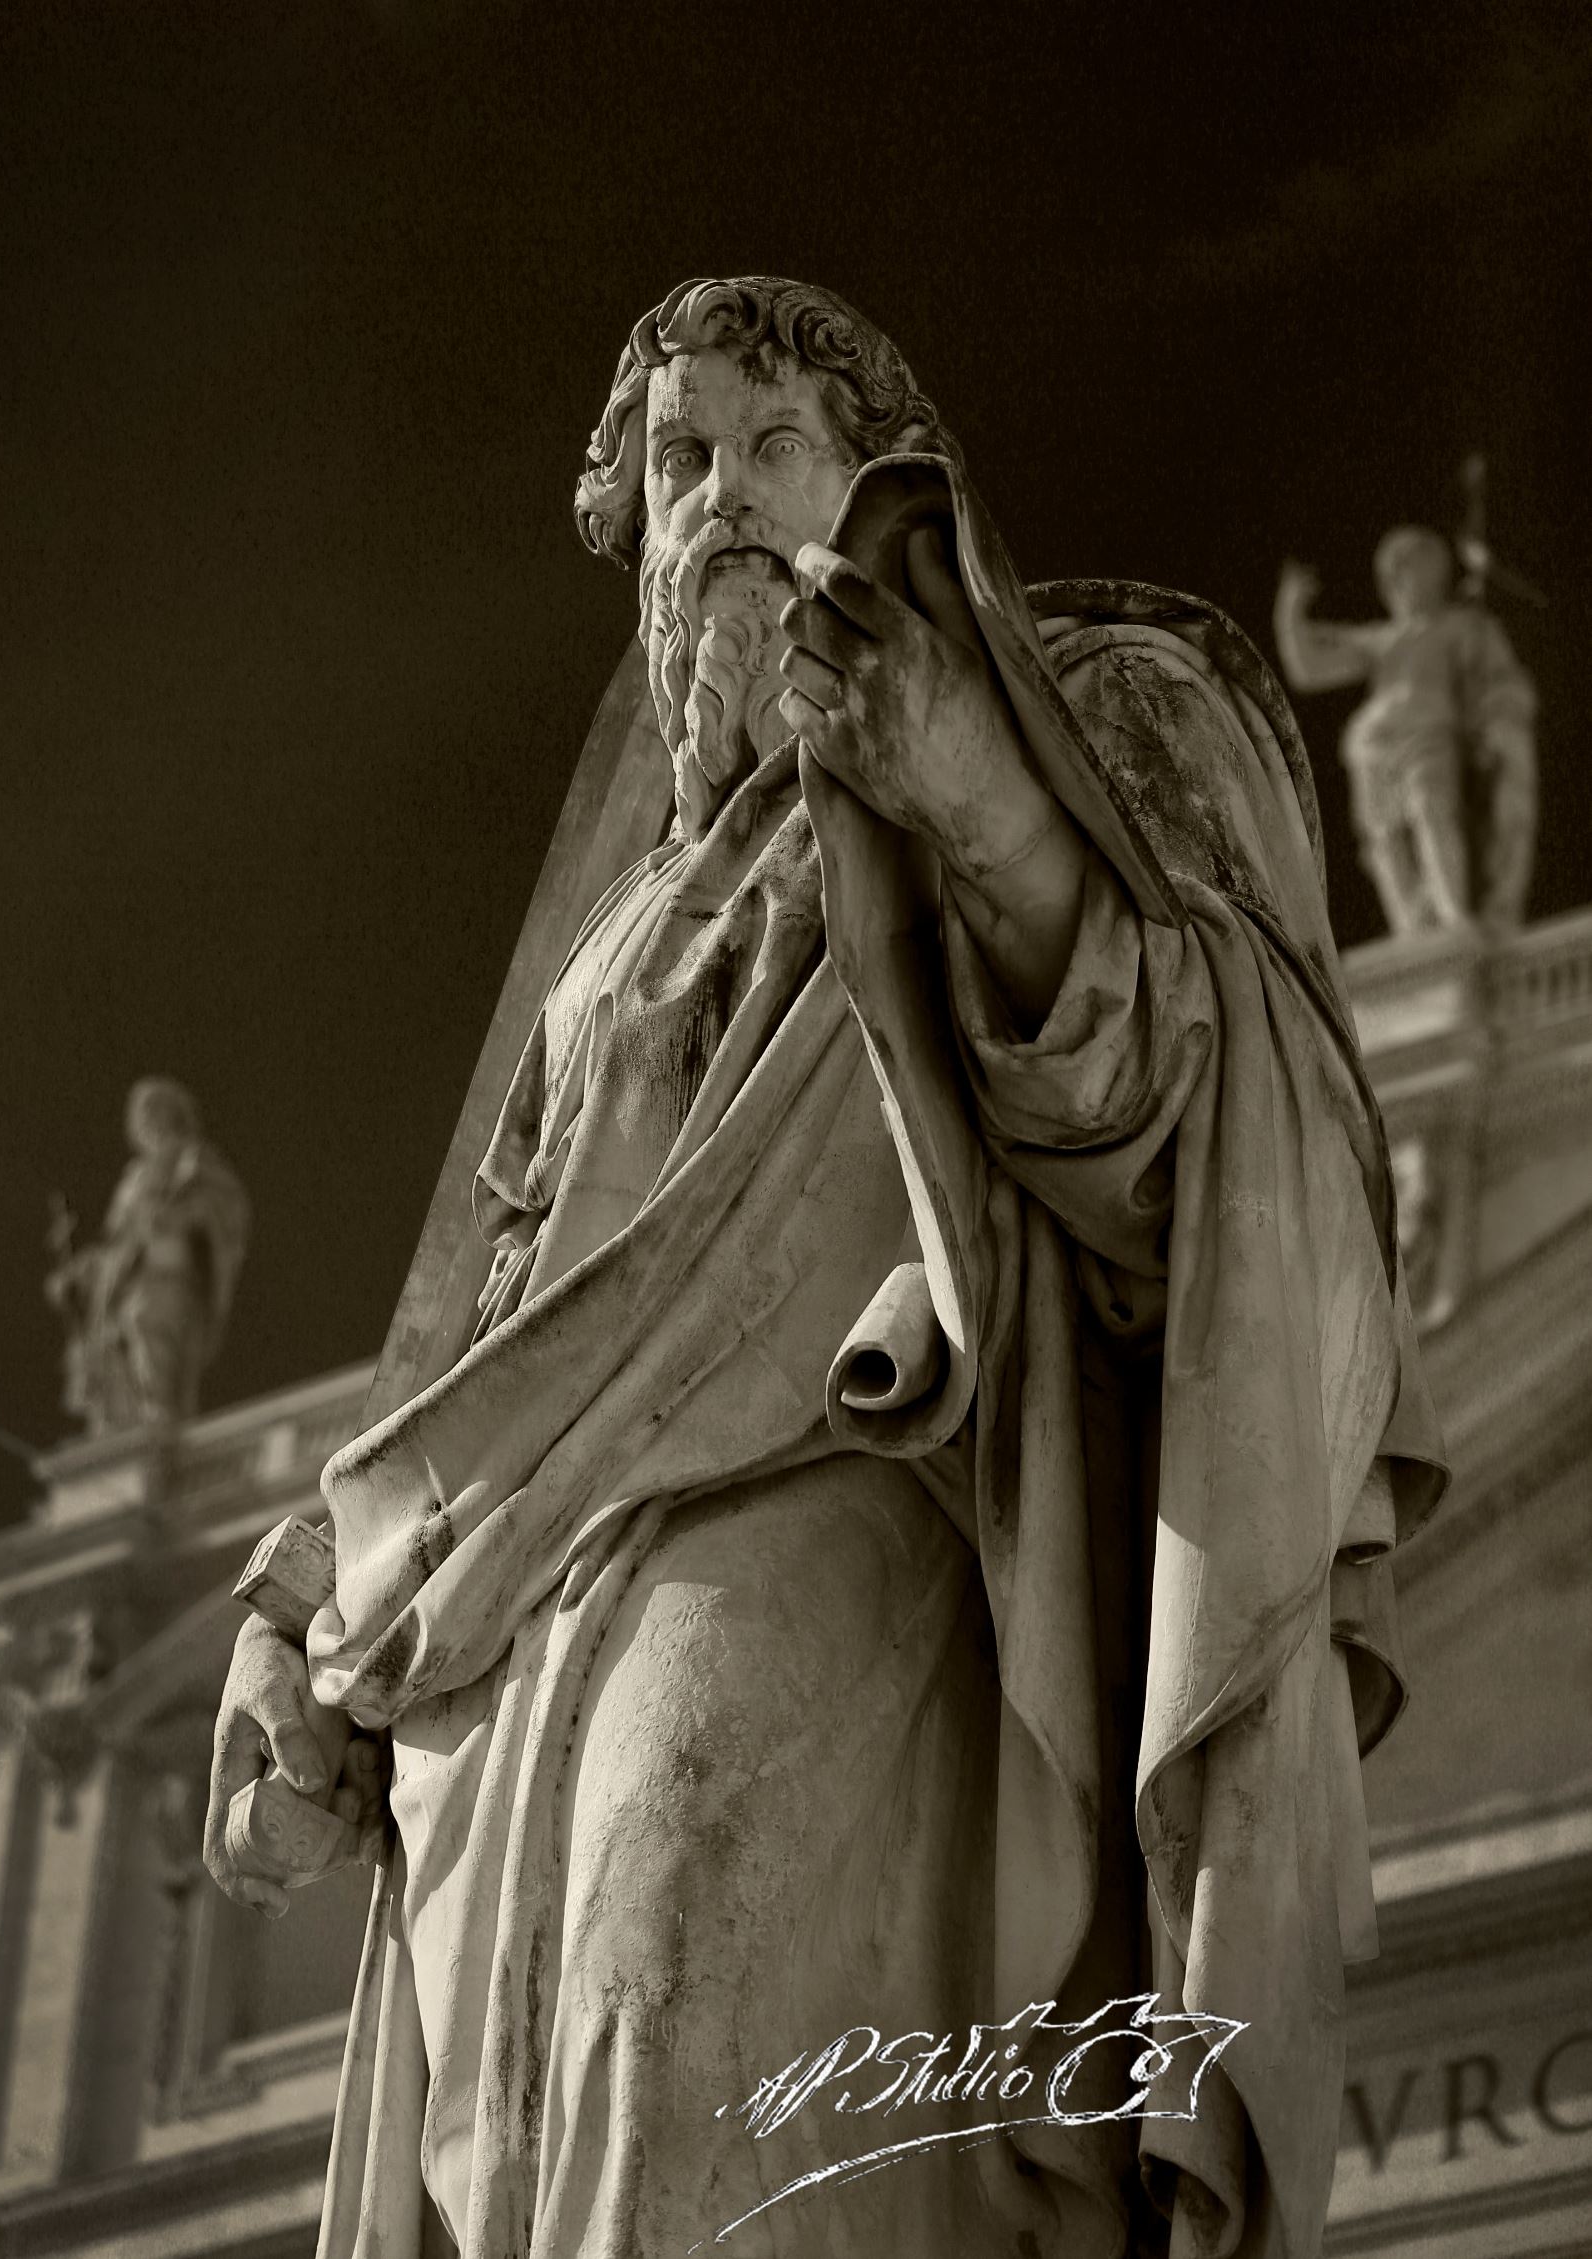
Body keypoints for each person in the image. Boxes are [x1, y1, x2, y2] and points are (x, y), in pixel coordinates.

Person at [205, 278, 1442, 2259]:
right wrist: (299, 1605)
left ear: (882, 490)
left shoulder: (1069, 705)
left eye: (776, 445)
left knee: (690, 2049)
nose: (719, 497)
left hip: (829, 1532)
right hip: (506, 1663)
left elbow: (1209, 1148)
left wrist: (977, 802)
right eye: (679, 458)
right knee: (519, 2163)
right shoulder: (618, 935)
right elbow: (491, 1340)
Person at [1274, 526, 1537, 935]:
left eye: (1412, 569)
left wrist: (1494, 726)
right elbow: (1307, 669)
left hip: (1430, 735)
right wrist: (1289, 613)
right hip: (1373, 749)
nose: (1402, 581)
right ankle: (1412, 929)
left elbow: (1497, 682)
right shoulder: (1384, 639)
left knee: (1433, 813)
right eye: (1395, 573)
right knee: (1384, 839)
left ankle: (1453, 916)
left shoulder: (1459, 625)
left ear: (1437, 574)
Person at [47, 1077, 250, 1430]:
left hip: (170, 1274)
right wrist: (82, 1271)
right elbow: (117, 1242)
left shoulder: (193, 1158)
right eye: (140, 1115)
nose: (145, 1121)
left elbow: (228, 1207)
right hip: (126, 1283)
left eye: (152, 1111)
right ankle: (131, 1430)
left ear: (171, 1113)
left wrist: (183, 1215)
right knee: (121, 1351)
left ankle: (159, 1423)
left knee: (151, 1333)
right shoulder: (134, 1177)